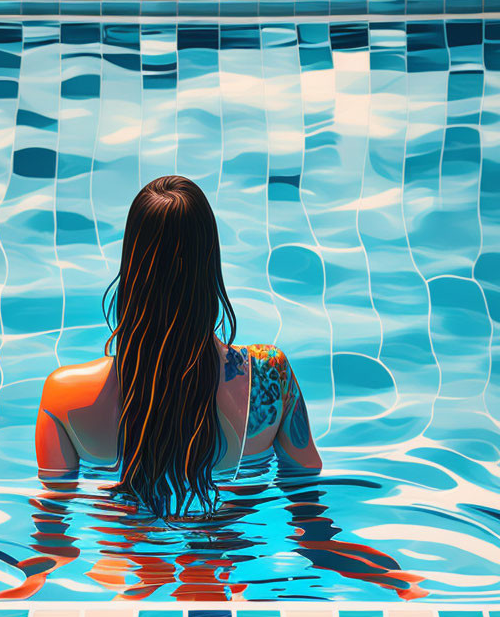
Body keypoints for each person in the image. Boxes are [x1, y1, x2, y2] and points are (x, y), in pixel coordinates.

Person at [35, 175, 322, 517]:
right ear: (209, 266)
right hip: (229, 553)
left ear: (131, 267)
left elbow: (52, 525)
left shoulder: (63, 395)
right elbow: (306, 499)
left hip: (123, 556)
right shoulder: (269, 377)